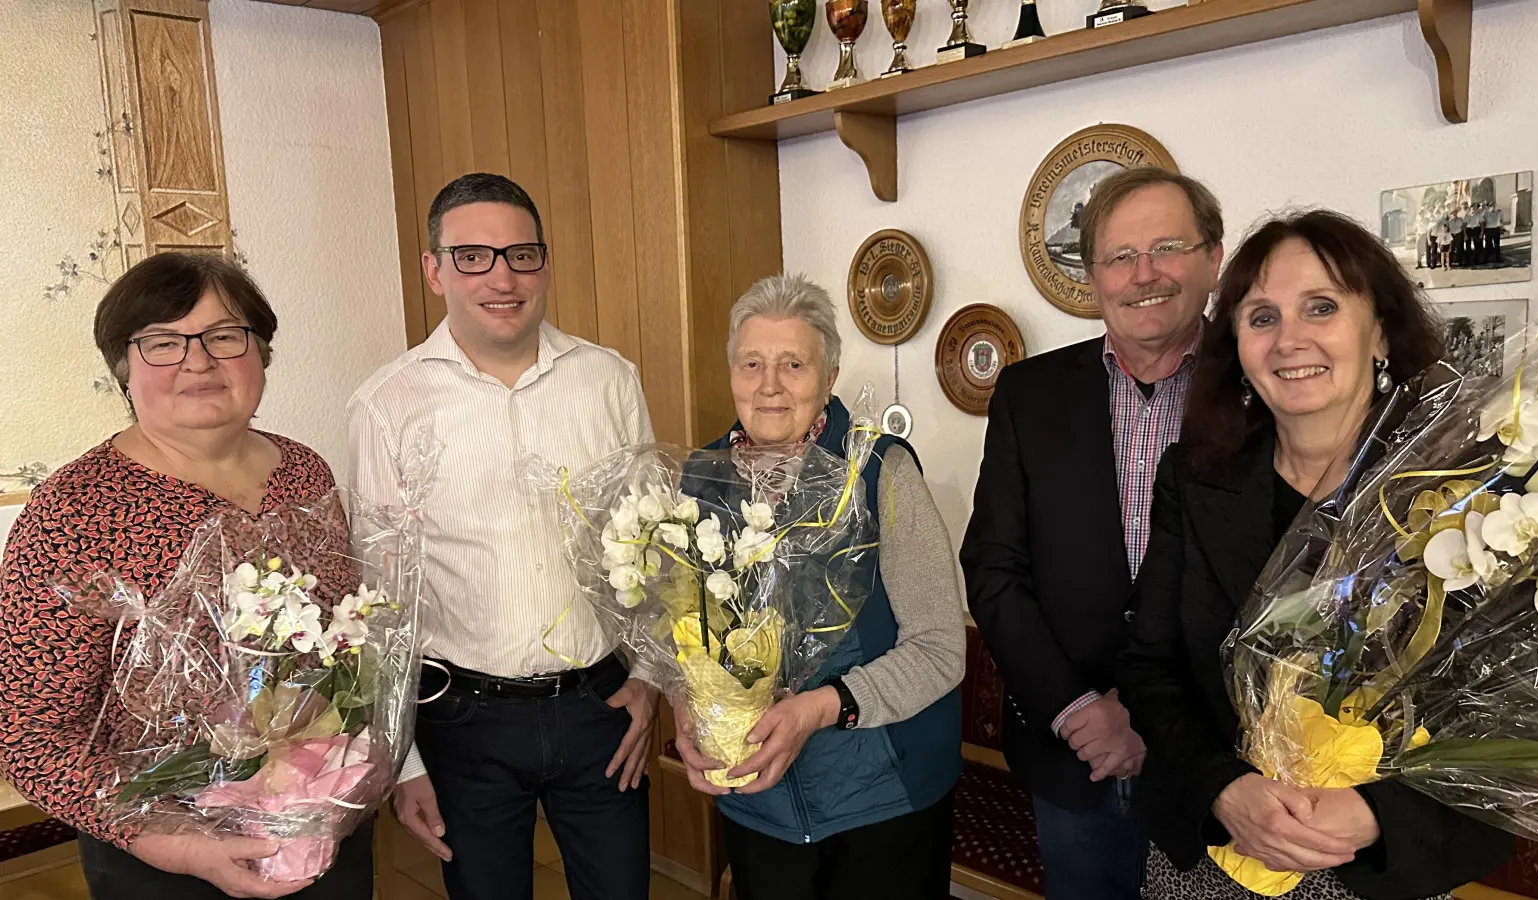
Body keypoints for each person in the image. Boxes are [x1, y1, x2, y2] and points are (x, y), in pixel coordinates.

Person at [1120, 209, 1514, 900]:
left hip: (1377, 868)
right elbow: (1152, 666)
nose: (1288, 339)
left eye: (1322, 307)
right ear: (1237, 345)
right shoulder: (1195, 477)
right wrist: (1225, 786)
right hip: (1213, 853)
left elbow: (1510, 719)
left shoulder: (1466, 495)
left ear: (1382, 332)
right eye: (1261, 316)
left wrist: (1372, 815)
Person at [0, 252, 372, 900]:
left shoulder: (306, 472)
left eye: (225, 336)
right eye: (163, 343)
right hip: (165, 855)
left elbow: (343, 649)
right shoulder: (74, 509)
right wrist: (167, 840)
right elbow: (29, 736)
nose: (198, 362)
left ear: (262, 352)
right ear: (124, 366)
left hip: (318, 816)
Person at [348, 173, 657, 900]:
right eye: (473, 257)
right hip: (461, 721)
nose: (502, 278)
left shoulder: (607, 379)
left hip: (601, 708)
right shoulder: (387, 404)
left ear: (544, 264)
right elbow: (377, 601)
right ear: (434, 269)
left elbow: (651, 543)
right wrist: (407, 763)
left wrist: (650, 679)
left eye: (521, 255)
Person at [962, 166, 1225, 900]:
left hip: (1220, 759)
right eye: (1120, 256)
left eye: (1168, 247)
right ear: (1093, 276)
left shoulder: (1261, 389)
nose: (1145, 274)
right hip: (1072, 755)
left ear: (1214, 258)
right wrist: (1081, 711)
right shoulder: (1028, 393)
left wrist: (1158, 721)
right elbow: (992, 566)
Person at [673, 274, 966, 900]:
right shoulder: (699, 479)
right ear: (731, 371)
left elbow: (941, 648)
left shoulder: (879, 471)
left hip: (883, 800)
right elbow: (684, 637)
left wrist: (818, 707)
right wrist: (688, 707)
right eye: (751, 362)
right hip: (758, 800)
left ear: (829, 375)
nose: (769, 384)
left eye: (793, 364)